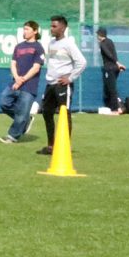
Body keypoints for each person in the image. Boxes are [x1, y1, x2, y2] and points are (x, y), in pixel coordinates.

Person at [37, 14, 85, 156]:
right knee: (46, 112)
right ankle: (51, 145)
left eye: (54, 26)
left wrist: (70, 78)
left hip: (62, 85)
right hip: (50, 84)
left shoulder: (69, 44)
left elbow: (82, 62)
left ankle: (64, 147)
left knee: (64, 113)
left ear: (63, 28)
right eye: (51, 25)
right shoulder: (51, 43)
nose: (51, 28)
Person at [0, 21, 44, 144]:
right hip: (15, 83)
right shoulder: (18, 46)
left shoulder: (38, 48)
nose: (24, 31)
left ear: (35, 31)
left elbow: (36, 68)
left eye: (27, 29)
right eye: (24, 29)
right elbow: (13, 64)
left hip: (29, 86)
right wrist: (17, 78)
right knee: (4, 102)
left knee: (21, 114)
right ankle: (25, 120)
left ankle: (12, 137)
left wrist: (22, 80)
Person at [97, 27, 125, 113]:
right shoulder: (110, 41)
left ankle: (115, 109)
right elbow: (114, 53)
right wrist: (117, 65)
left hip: (109, 68)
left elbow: (109, 54)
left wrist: (117, 63)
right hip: (114, 68)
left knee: (111, 89)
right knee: (110, 88)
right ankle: (114, 107)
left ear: (99, 35)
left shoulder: (102, 43)